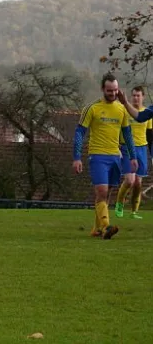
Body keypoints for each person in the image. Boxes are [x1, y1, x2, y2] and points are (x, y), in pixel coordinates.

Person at [73, 73, 136, 239]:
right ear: (103, 89)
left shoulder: (121, 109)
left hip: (116, 157)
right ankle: (107, 227)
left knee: (106, 196)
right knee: (101, 191)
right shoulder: (92, 108)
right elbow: (80, 132)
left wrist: (133, 157)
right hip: (97, 156)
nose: (113, 93)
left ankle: (96, 229)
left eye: (115, 90)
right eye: (110, 91)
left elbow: (127, 135)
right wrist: (77, 157)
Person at [114, 86, 152, 220]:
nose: (136, 98)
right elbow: (116, 130)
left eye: (138, 95)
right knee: (129, 180)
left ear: (143, 97)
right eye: (134, 95)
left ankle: (134, 211)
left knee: (138, 183)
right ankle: (119, 204)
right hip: (127, 148)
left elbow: (150, 135)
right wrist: (117, 147)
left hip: (142, 149)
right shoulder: (124, 111)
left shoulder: (147, 113)